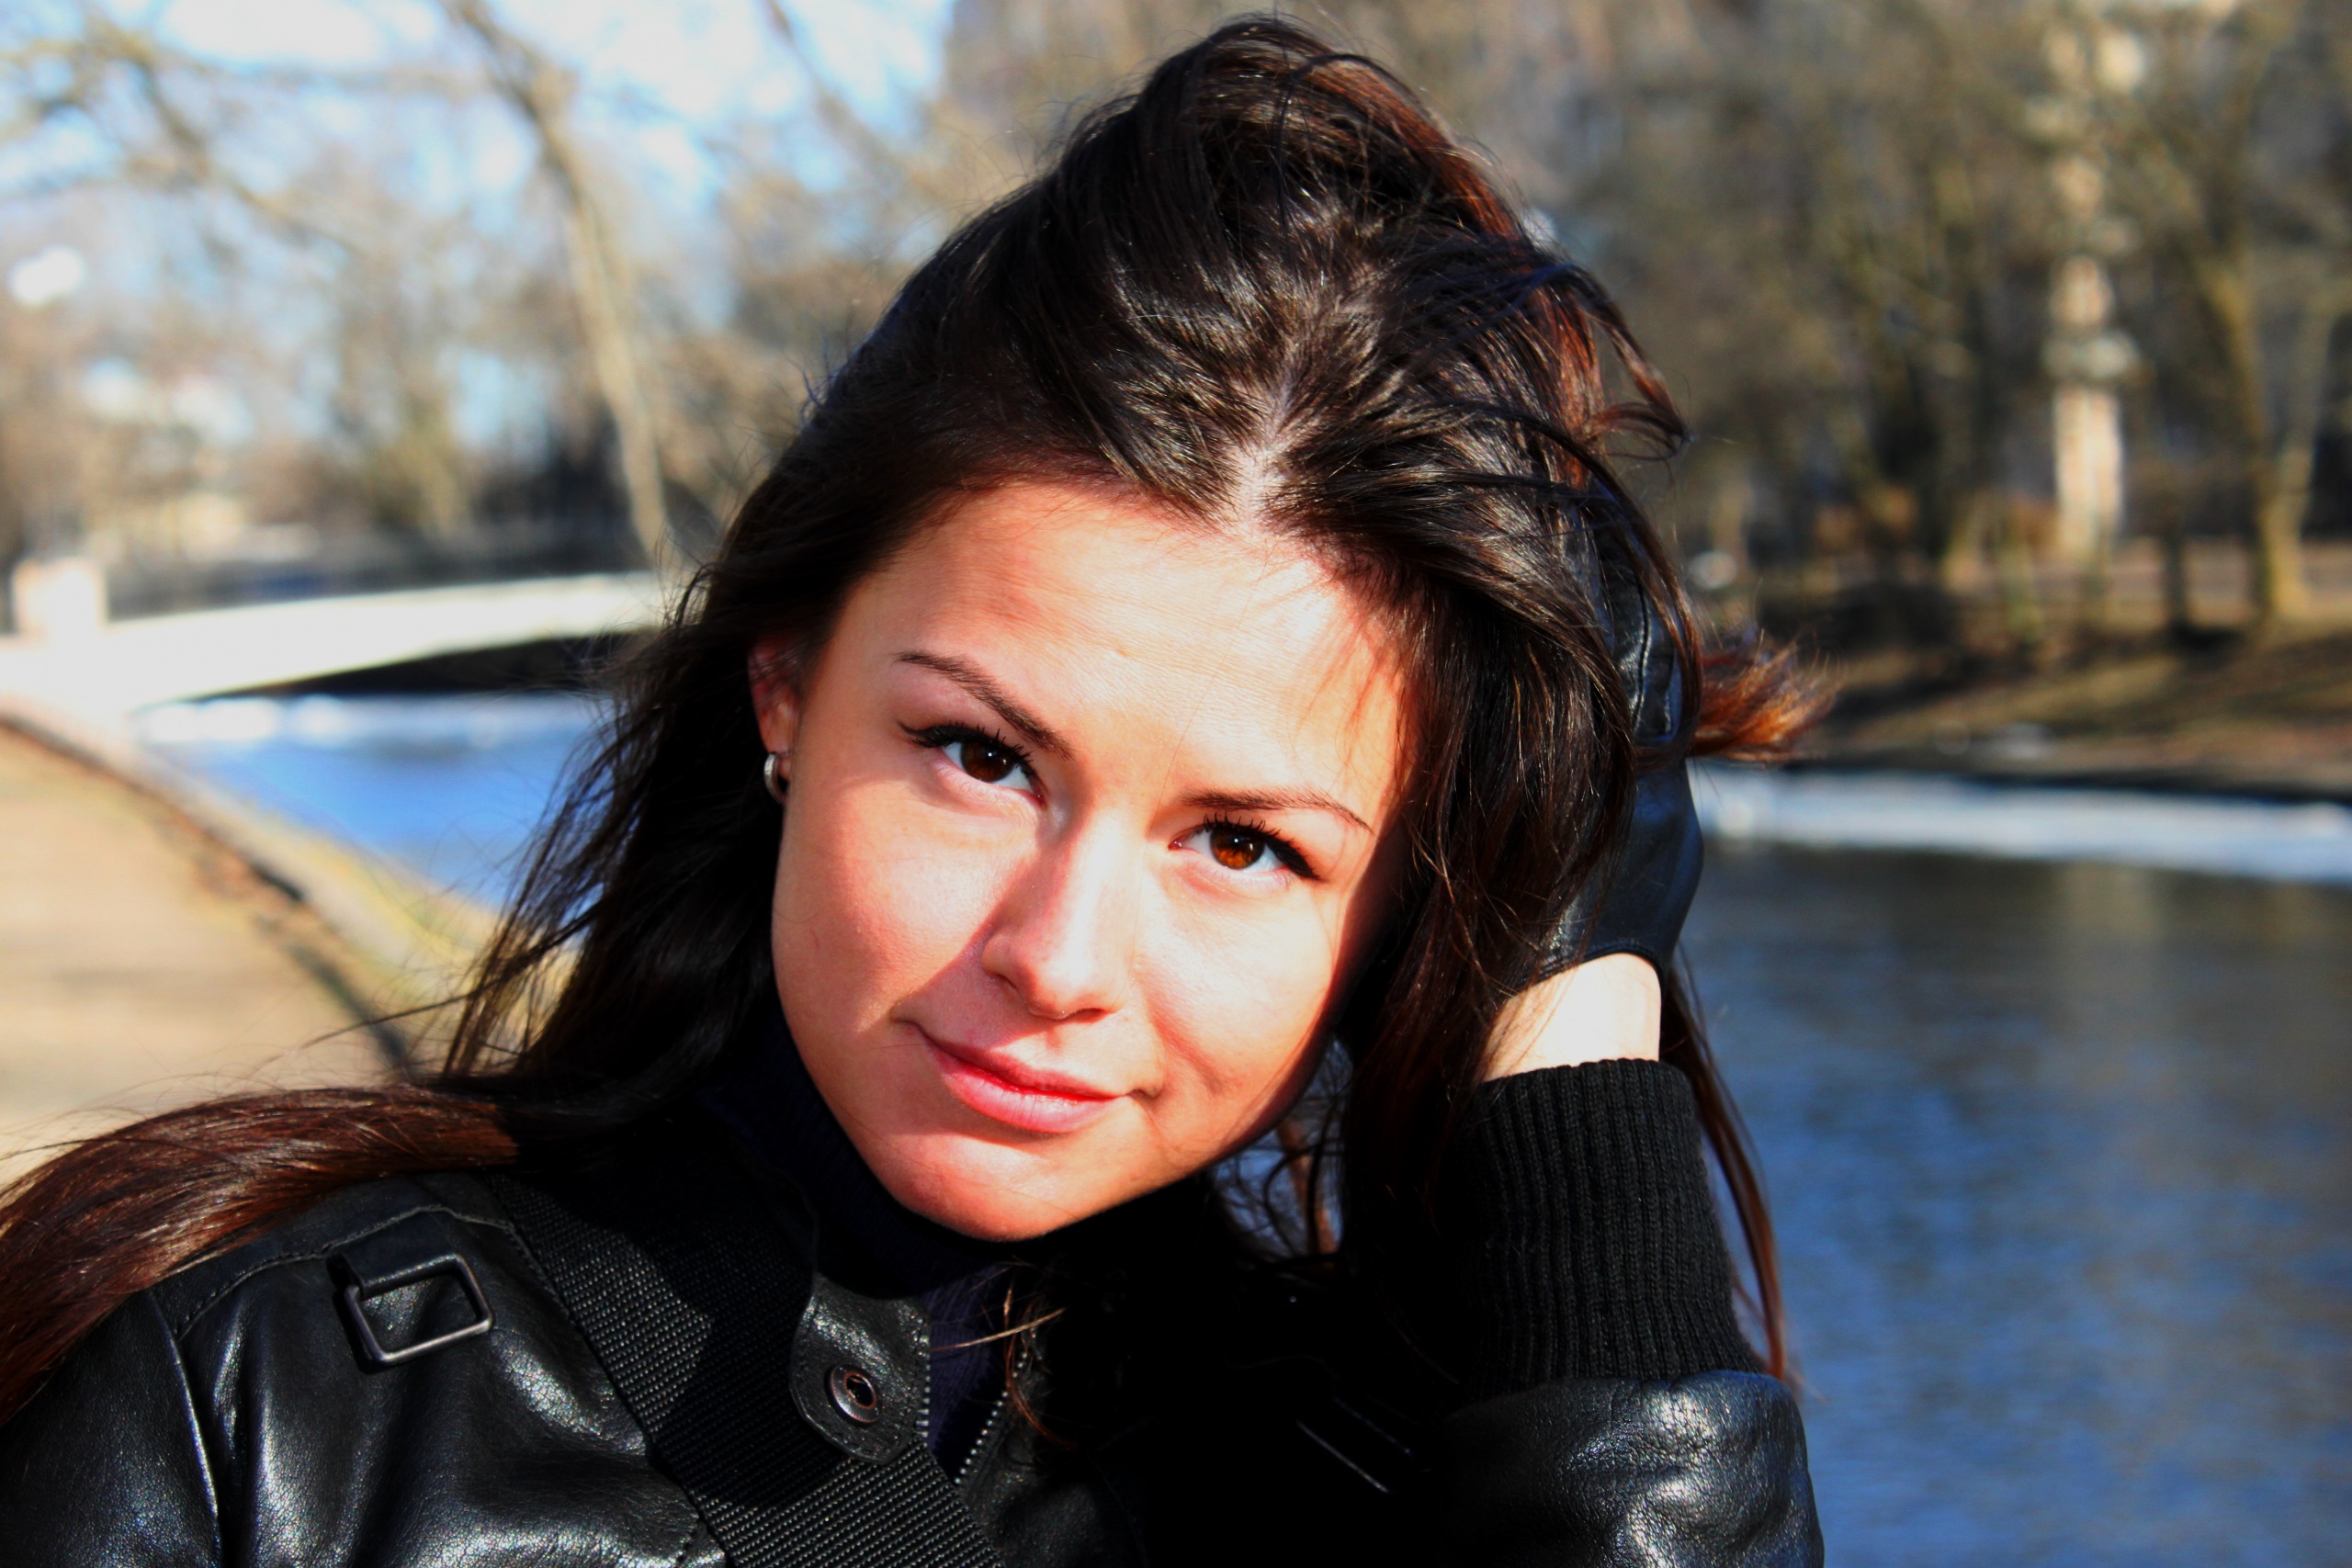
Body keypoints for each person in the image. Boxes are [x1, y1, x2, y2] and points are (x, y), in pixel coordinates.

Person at [0, 19, 1822, 1566]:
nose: (1058, 958)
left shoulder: (1395, 1489)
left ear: (1407, 911)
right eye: (981, 756)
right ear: (784, 684)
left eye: (1243, 843)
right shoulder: (245, 1413)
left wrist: (1575, 1034)